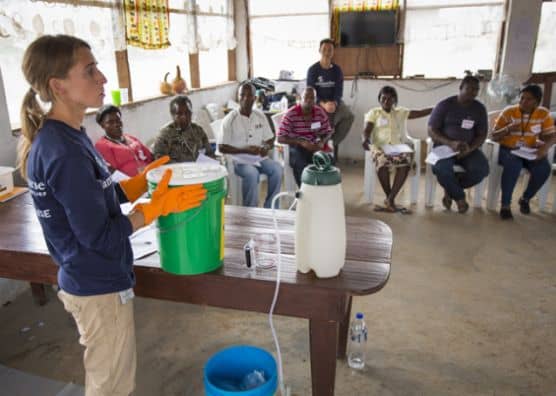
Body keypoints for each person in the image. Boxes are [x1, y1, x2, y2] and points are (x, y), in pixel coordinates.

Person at [17, 34, 206, 396]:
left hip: (88, 276)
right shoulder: (64, 150)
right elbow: (99, 235)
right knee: (111, 384)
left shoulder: (69, 135)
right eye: (90, 71)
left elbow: (94, 196)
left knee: (112, 376)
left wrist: (137, 186)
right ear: (58, 86)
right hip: (97, 285)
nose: (103, 78)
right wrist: (152, 211)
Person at [362, 85, 432, 213]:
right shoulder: (374, 113)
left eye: (389, 99)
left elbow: (419, 112)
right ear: (379, 99)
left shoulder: (400, 112)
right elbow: (367, 129)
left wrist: (435, 109)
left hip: (397, 147)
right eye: (383, 98)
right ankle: (391, 199)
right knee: (382, 163)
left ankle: (390, 199)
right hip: (380, 147)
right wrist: (365, 139)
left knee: (405, 163)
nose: (386, 102)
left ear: (394, 100)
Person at [490, 84, 556, 219]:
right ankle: (505, 205)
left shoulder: (543, 114)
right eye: (521, 98)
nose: (523, 102)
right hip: (508, 150)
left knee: (543, 169)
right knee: (513, 165)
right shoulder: (509, 111)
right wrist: (508, 128)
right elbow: (494, 135)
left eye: (528, 99)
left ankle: (525, 198)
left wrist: (544, 148)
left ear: (537, 102)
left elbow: (551, 136)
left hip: (529, 150)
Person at [428, 75, 490, 213]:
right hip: (444, 147)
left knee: (482, 170)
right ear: (461, 88)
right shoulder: (445, 105)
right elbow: (431, 130)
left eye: (476, 90)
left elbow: (482, 134)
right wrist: (450, 143)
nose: (472, 92)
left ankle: (451, 190)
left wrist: (471, 148)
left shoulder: (479, 109)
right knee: (441, 169)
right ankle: (460, 198)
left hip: (469, 149)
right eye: (469, 89)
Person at [219, 82, 283, 208]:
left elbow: (270, 138)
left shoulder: (260, 115)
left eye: (249, 96)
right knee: (252, 173)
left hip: (259, 158)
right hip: (239, 161)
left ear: (255, 98)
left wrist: (266, 147)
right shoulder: (230, 119)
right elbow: (221, 147)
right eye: (242, 95)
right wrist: (244, 150)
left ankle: (270, 208)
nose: (245, 99)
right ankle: (250, 210)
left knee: (277, 169)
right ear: (238, 97)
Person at [307, 38, 354, 160]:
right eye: (324, 49)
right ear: (319, 50)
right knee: (325, 122)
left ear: (333, 52)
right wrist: (323, 104)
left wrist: (334, 102)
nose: (327, 52)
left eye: (330, 49)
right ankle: (322, 147)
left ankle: (333, 142)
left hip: (334, 102)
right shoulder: (313, 70)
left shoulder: (337, 70)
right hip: (318, 103)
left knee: (349, 115)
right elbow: (310, 94)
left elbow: (339, 91)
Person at [277, 86, 332, 186]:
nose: (309, 100)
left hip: (314, 146)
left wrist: (322, 142)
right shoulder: (291, 114)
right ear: (300, 98)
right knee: (300, 162)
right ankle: (304, 191)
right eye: (306, 97)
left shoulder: (319, 112)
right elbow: (280, 137)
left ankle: (320, 191)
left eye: (312, 98)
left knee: (327, 161)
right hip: (296, 147)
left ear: (315, 100)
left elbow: (328, 131)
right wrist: (300, 142)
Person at [94, 104, 153, 176]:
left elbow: (150, 157)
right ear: (102, 125)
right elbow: (113, 172)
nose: (116, 124)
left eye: (118, 120)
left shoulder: (131, 138)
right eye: (110, 122)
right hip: (129, 183)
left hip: (150, 177)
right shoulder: (102, 145)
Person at [152, 95, 214, 162]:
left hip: (201, 169)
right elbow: (160, 161)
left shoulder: (198, 130)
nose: (184, 117)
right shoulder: (164, 135)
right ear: (172, 115)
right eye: (179, 114)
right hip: (176, 171)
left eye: (187, 113)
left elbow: (209, 153)